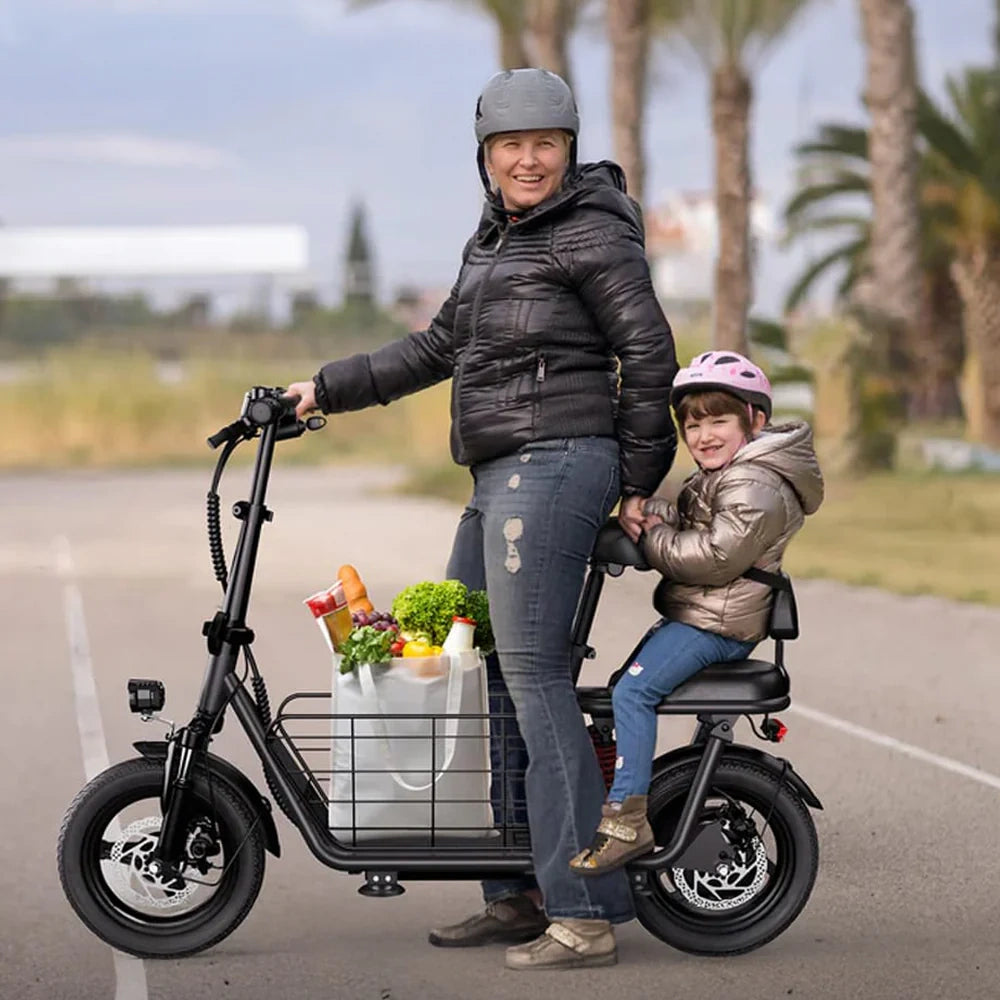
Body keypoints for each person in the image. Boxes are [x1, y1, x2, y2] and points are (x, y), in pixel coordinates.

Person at [284, 68, 678, 970]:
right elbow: (436, 346)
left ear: (569, 152)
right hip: (502, 473)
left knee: (534, 681)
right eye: (512, 146)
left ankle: (581, 912)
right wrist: (322, 391)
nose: (529, 160)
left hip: (558, 464)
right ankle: (519, 890)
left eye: (546, 144)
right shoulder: (496, 240)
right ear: (487, 157)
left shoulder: (590, 231)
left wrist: (638, 477)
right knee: (472, 664)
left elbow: (648, 351)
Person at [569, 350, 824, 875]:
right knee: (625, 689)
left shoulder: (755, 483)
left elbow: (711, 557)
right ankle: (626, 786)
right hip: (711, 615)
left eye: (719, 420)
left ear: (755, 419)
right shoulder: (736, 473)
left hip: (717, 621)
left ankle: (626, 820)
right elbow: (694, 517)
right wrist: (651, 512)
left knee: (633, 691)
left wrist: (653, 535)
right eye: (693, 424)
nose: (704, 435)